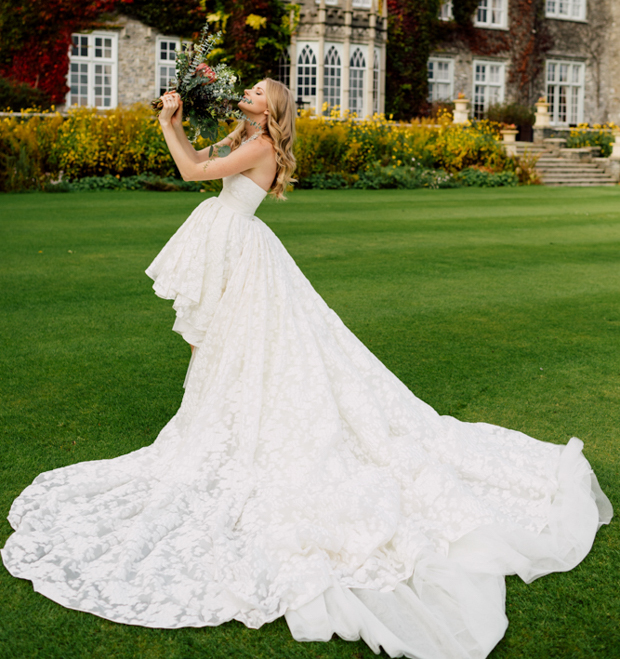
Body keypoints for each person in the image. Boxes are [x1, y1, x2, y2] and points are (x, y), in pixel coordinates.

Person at [1, 78, 612, 659]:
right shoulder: (244, 138)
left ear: (272, 110)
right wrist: (178, 122)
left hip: (240, 248)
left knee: (240, 350)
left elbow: (189, 171)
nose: (249, 93)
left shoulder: (261, 144)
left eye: (259, 91)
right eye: (251, 88)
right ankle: (214, 422)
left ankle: (232, 430)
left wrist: (168, 127)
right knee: (219, 352)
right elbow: (194, 159)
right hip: (224, 240)